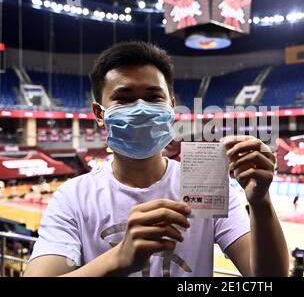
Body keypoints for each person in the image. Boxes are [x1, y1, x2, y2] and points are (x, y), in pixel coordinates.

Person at [24, 42, 289, 277]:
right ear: (99, 113)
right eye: (124, 99)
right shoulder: (73, 197)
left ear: (171, 107)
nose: (140, 108)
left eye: (153, 97)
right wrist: (118, 258)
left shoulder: (206, 183)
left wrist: (260, 202)